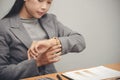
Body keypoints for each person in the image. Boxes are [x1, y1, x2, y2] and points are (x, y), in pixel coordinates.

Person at [0, 0, 86, 80]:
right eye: (40, 0)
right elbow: (2, 73)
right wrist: (37, 62)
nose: (44, 7)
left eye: (49, 2)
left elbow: (80, 41)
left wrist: (52, 42)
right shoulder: (3, 27)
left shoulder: (50, 20)